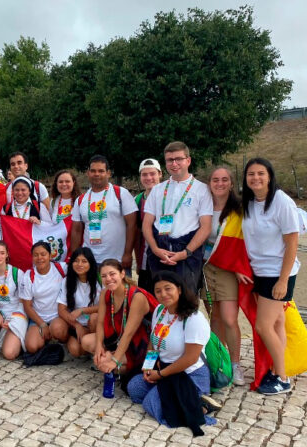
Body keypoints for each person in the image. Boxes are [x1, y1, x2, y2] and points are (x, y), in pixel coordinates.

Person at [128, 271, 218, 433]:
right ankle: (181, 399)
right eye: (158, 291)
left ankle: (200, 404)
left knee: (151, 404)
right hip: (163, 368)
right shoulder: (160, 311)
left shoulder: (193, 318)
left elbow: (190, 358)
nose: (163, 294)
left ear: (179, 289)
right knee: (134, 388)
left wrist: (161, 375)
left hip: (188, 373)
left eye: (168, 288)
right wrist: (148, 366)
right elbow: (153, 342)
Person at [241, 158, 300, 395]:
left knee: (263, 325)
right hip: (260, 271)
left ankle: (283, 378)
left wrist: (283, 280)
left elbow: (292, 242)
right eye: (251, 174)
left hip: (278, 272)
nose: (256, 178)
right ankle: (277, 370)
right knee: (276, 323)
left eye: (261, 174)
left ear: (270, 176)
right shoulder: (250, 203)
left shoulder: (281, 201)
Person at [142, 142, 213, 293]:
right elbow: (146, 224)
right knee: (161, 299)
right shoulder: (157, 190)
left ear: (188, 160)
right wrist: (155, 248)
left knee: (186, 301)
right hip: (160, 252)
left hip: (186, 253)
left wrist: (185, 253)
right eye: (169, 160)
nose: (174, 164)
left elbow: (206, 227)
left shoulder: (202, 190)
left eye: (178, 159)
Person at [202, 166, 246, 386]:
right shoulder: (204, 206)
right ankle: (220, 361)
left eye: (224, 179)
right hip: (206, 267)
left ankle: (236, 364)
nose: (219, 183)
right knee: (215, 317)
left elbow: (245, 240)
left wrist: (240, 266)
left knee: (229, 318)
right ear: (209, 183)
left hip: (229, 269)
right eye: (215, 179)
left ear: (231, 183)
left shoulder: (239, 210)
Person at [84, 259, 157, 389]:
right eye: (104, 276)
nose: (108, 279)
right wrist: (99, 347)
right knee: (87, 342)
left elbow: (129, 333)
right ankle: (114, 361)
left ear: (122, 274)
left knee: (106, 363)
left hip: (143, 342)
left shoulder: (136, 296)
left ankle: (124, 367)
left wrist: (114, 360)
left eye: (112, 274)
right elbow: (100, 322)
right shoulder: (106, 293)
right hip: (119, 337)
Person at [70, 155, 138, 268]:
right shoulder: (81, 200)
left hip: (116, 259)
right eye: (93, 171)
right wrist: (76, 257)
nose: (96, 174)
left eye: (101, 171)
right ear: (88, 173)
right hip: (89, 260)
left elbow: (132, 225)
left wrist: (127, 254)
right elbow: (76, 230)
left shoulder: (121, 193)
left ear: (108, 173)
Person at [19, 241, 68, 354]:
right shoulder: (28, 276)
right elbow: (28, 306)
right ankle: (47, 339)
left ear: (50, 256)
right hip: (38, 318)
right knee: (31, 347)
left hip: (58, 316)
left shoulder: (62, 268)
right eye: (36, 255)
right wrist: (42, 324)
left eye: (43, 254)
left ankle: (64, 344)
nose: (39, 258)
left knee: (58, 330)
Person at [54, 247, 102, 357]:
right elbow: (61, 309)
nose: (79, 264)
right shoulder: (68, 280)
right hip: (75, 324)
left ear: (91, 263)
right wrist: (77, 326)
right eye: (76, 261)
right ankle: (76, 343)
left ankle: (97, 345)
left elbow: (105, 306)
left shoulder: (99, 280)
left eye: (84, 261)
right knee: (75, 350)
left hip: (93, 324)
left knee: (95, 317)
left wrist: (82, 310)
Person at [0, 241, 26, 360]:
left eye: (2, 253)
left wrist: (12, 319)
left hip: (17, 312)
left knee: (9, 353)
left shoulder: (17, 273)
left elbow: (24, 302)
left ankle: (8, 334)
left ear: (7, 254)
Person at [134, 159, 163, 292]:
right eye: (144, 174)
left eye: (152, 174)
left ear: (160, 174)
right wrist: (139, 262)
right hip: (145, 261)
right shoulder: (137, 200)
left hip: (166, 260)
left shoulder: (170, 197)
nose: (148, 178)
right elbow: (136, 232)